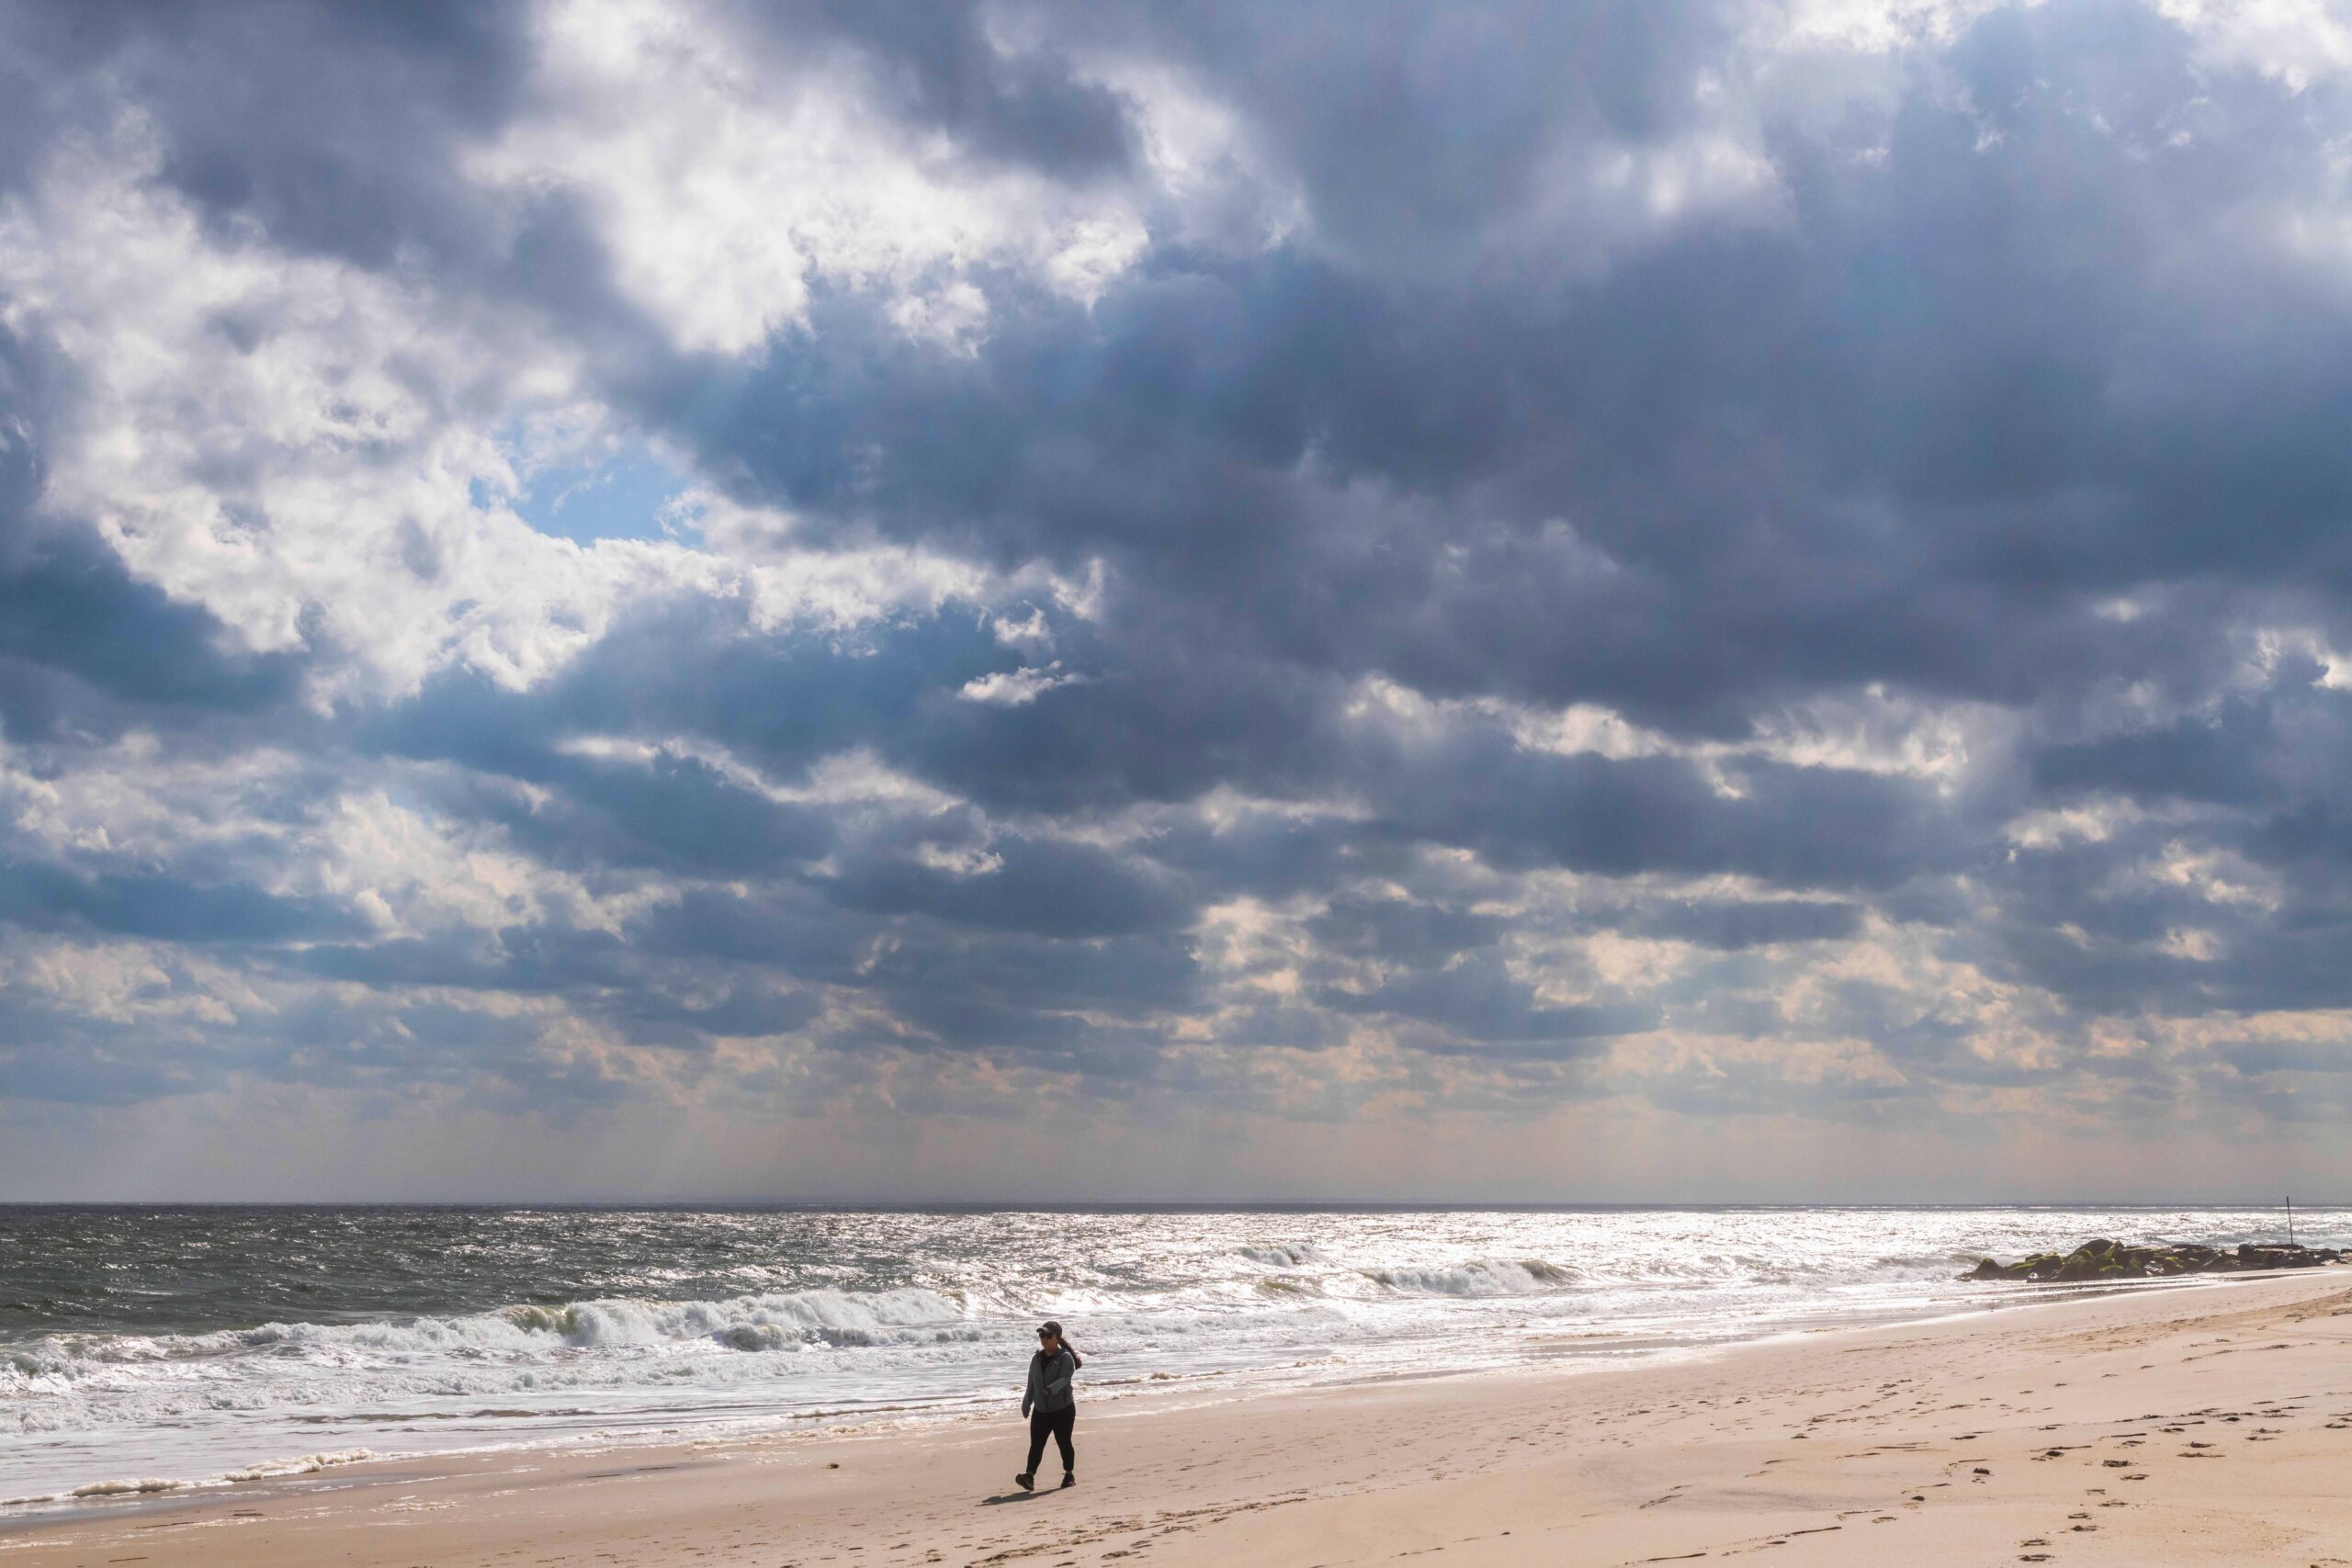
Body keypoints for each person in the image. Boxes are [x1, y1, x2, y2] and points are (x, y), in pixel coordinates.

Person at [1016, 1320, 1081, 1491]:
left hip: (1063, 1410)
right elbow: (1031, 1383)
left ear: (1057, 1338)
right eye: (1041, 1335)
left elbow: (1065, 1379)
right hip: (1041, 1410)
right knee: (1036, 1443)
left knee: (1064, 1442)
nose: (1044, 1339)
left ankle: (1069, 1474)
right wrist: (1026, 1402)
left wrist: (1050, 1390)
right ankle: (1029, 1476)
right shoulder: (1036, 1359)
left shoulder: (1065, 1358)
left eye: (1048, 1336)